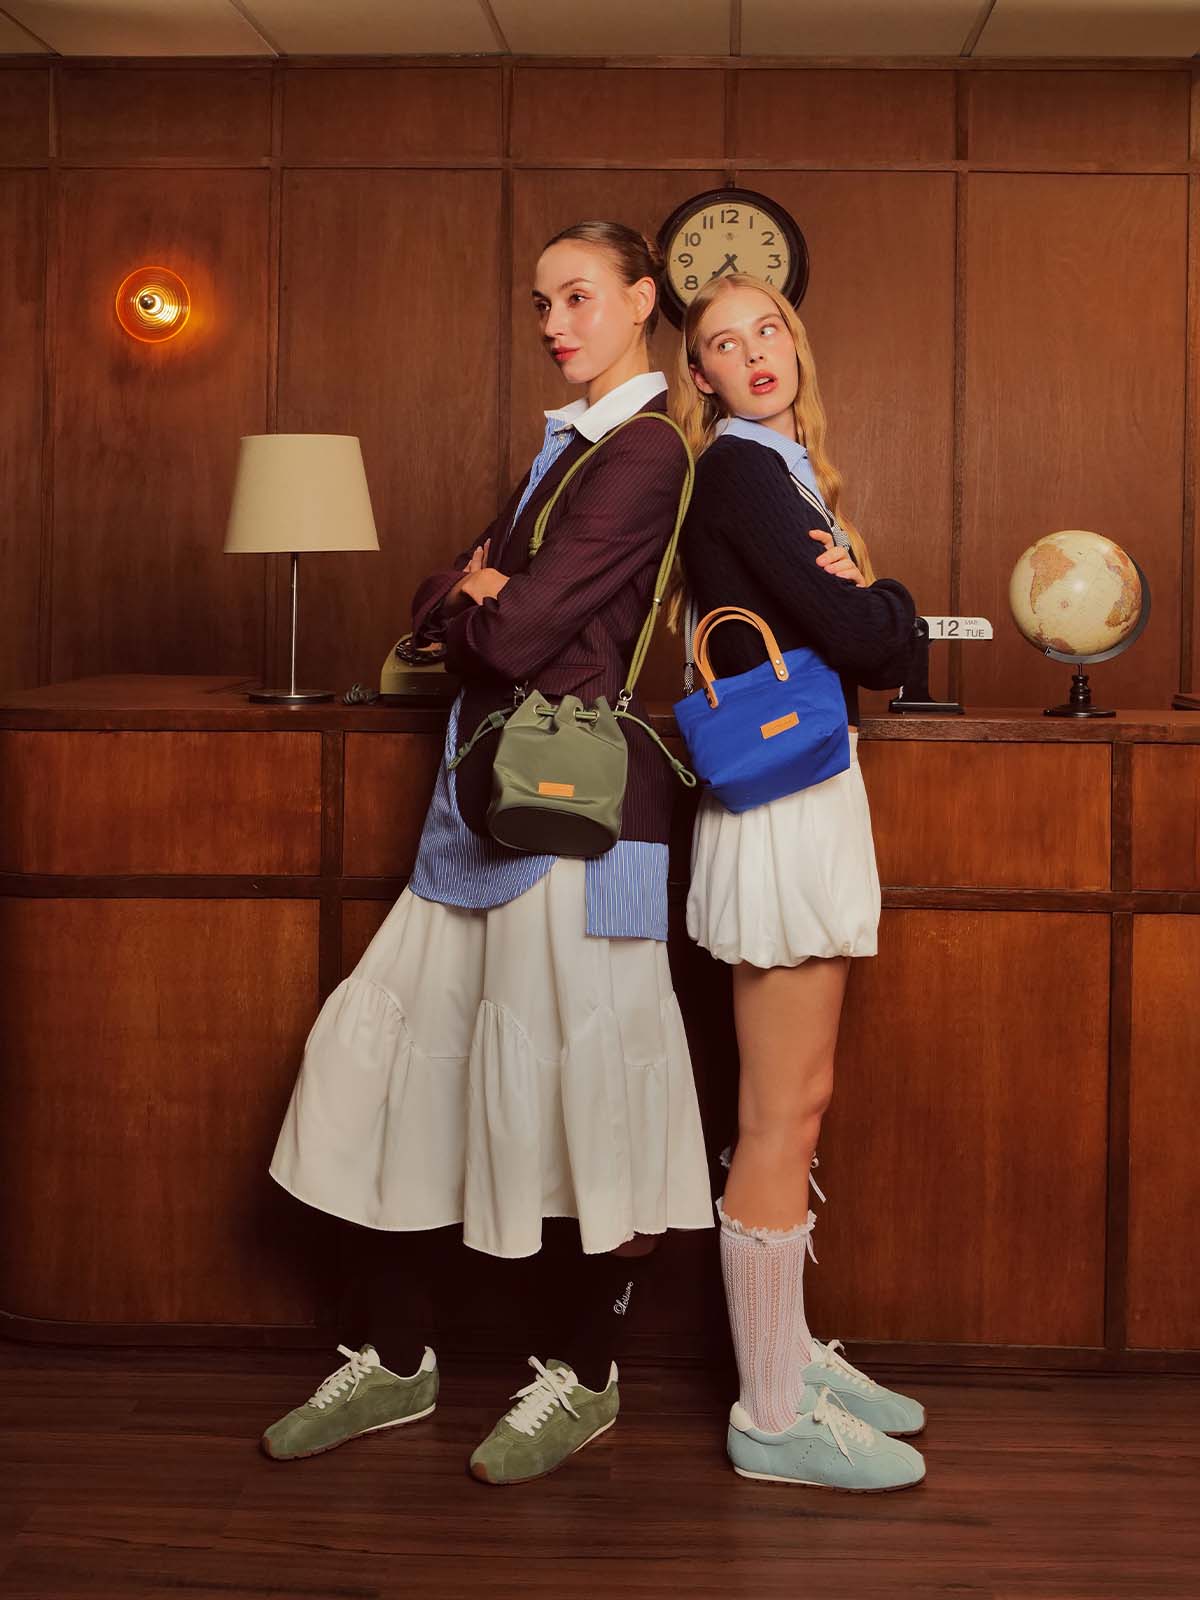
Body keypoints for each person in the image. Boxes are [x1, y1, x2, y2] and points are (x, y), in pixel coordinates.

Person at [264, 222, 712, 1485]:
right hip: (483, 810)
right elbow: (443, 603)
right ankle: (397, 1357)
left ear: (641, 301)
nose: (555, 323)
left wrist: (481, 594)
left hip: (589, 823)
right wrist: (469, 592)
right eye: (541, 303)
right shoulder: (562, 449)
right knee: (400, 1069)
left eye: (580, 297)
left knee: (593, 1092)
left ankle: (587, 1374)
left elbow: (510, 636)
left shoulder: (646, 450)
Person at [673, 272, 927, 1491]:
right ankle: (770, 1413)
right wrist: (883, 596)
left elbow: (853, 628)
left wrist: (855, 595)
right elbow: (877, 643)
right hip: (777, 809)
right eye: (725, 343)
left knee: (801, 1102)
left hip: (804, 797)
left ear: (794, 342)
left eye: (767, 328)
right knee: (779, 1114)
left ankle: (792, 1353)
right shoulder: (739, 470)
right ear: (702, 376)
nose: (755, 352)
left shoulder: (780, 468)